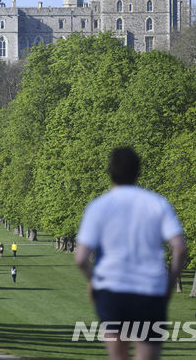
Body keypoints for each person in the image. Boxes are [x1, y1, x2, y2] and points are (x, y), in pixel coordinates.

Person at [75, 147, 186, 360]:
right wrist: (170, 284)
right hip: (149, 290)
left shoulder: (98, 206)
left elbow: (80, 258)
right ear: (138, 171)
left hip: (112, 290)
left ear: (110, 172)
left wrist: (94, 282)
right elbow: (180, 248)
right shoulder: (157, 203)